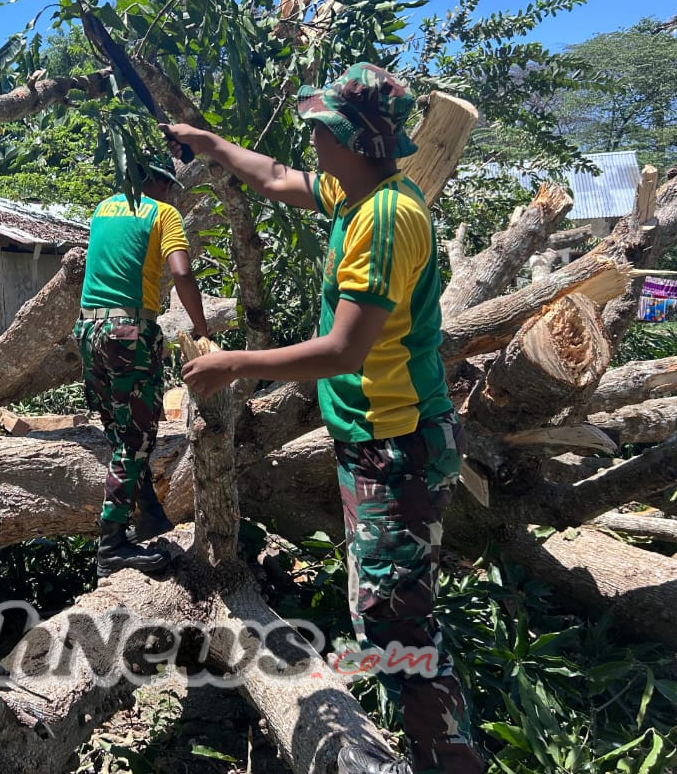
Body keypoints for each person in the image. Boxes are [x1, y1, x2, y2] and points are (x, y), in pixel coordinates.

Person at [162, 63, 483, 774]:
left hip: (397, 443)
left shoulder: (387, 219)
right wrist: (210, 144)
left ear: (353, 138)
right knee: (384, 612)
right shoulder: (355, 192)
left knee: (396, 622)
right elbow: (276, 178)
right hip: (373, 440)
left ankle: (447, 761)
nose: (311, 138)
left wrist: (236, 364)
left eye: (321, 127)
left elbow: (344, 350)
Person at [76, 156, 210, 577]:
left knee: (119, 430)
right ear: (157, 182)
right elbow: (181, 273)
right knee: (135, 438)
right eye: (168, 185)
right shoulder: (163, 213)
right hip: (127, 331)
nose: (171, 193)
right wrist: (201, 327)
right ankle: (112, 545)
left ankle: (148, 510)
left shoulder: (103, 209)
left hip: (88, 330)